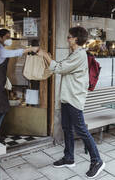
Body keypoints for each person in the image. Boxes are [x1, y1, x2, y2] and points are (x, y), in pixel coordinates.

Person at [38, 26, 105, 179]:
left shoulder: (79, 55)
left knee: (81, 130)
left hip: (74, 98)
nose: (67, 39)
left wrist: (45, 56)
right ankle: (69, 158)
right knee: (67, 128)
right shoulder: (74, 54)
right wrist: (48, 57)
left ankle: (97, 160)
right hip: (67, 97)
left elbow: (60, 68)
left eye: (69, 37)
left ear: (76, 39)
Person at [0, 29, 38, 142]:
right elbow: (13, 53)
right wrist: (29, 49)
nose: (9, 39)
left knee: (3, 108)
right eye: (7, 37)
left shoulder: (1, 48)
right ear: (0, 38)